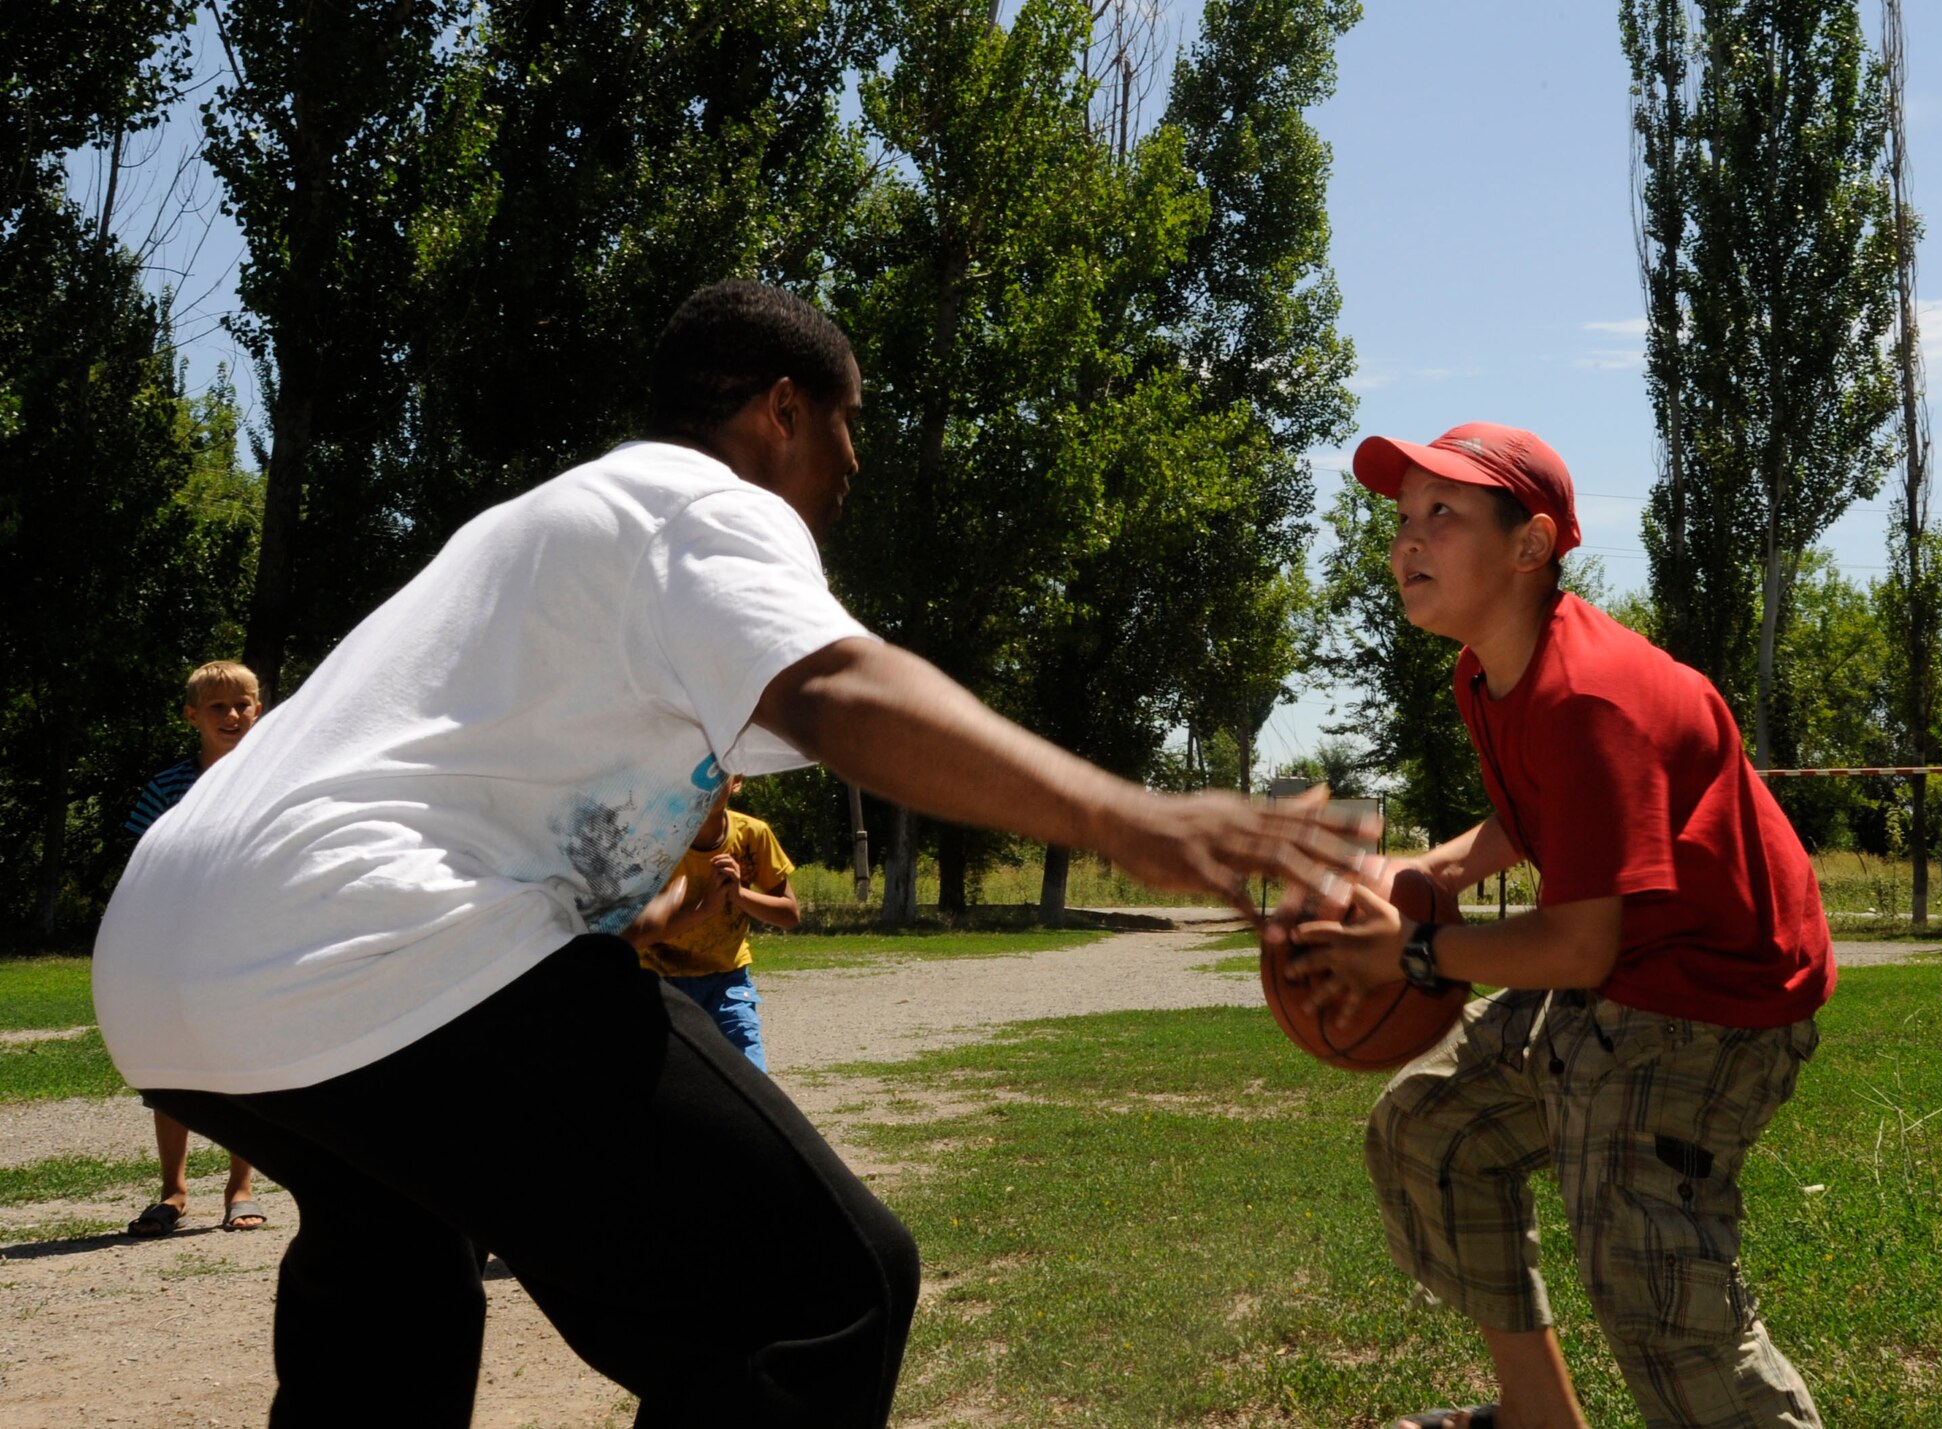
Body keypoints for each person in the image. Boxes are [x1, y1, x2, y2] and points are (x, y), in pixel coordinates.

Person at [93, 280, 1373, 1428]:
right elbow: (836, 685)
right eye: (847, 421)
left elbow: (508, 777)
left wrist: (630, 903)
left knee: (395, 1268)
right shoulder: (696, 499)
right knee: (821, 1293)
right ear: (780, 411)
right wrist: (1128, 816)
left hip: (167, 963)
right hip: (365, 942)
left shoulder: (548, 531)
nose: (852, 461)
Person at [1276, 423, 1831, 1429]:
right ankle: (1537, 1417)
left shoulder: (1590, 695)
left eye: (1440, 513)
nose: (1406, 539)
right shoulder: (1491, 674)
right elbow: (1540, 815)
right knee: (1431, 1134)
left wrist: (1406, 950)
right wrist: (1427, 867)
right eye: (1401, 517)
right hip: (1624, 979)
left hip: (1711, 1004)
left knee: (1653, 1285)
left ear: (1530, 546)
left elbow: (1578, 942)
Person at [122, 660, 269, 1237]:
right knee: (172, 1066)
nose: (233, 715)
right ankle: (174, 1192)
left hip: (252, 944)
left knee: (243, 1064)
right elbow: (141, 866)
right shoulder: (166, 787)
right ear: (191, 716)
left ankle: (242, 1188)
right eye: (218, 707)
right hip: (176, 948)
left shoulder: (277, 780)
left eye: (244, 704)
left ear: (260, 708)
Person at [622, 773, 796, 1070]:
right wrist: (705, 909)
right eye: (700, 771)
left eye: (720, 771)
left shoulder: (754, 835)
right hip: (661, 980)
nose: (709, 781)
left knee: (750, 1077)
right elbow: (633, 934)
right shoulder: (655, 839)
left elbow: (789, 915)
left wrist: (738, 895)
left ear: (737, 780)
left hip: (728, 981)